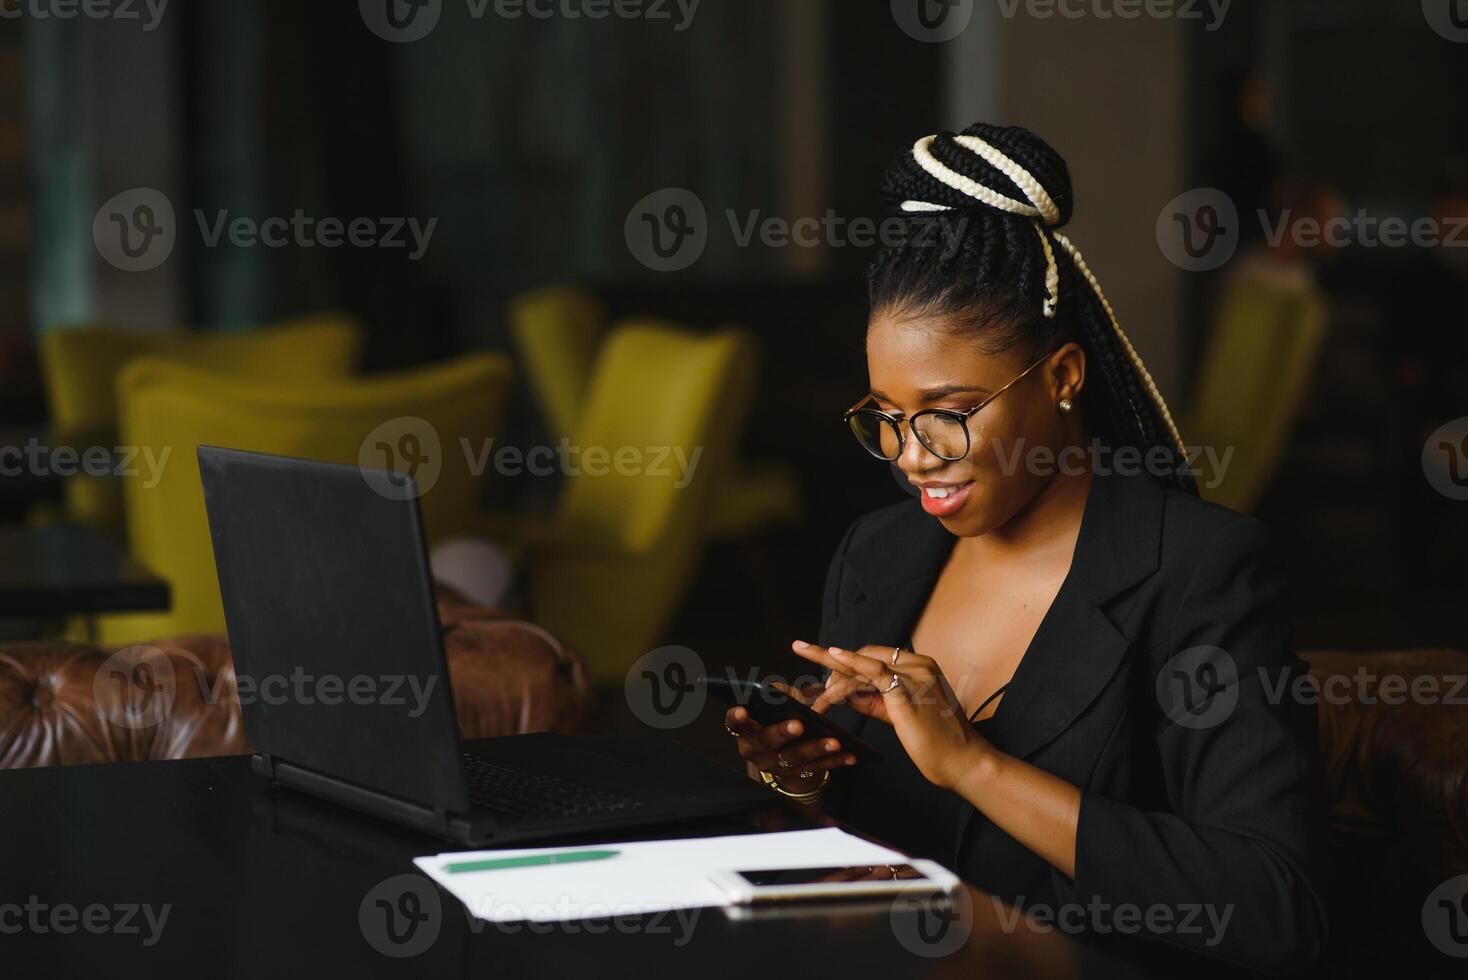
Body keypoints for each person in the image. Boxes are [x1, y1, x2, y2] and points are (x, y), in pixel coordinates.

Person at [723, 123, 1326, 974]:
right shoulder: (880, 555)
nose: (912, 455)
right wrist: (809, 778)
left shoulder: (1199, 571)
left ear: (1063, 377)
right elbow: (889, 846)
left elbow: (1270, 906)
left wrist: (973, 765)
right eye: (885, 418)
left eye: (950, 410)